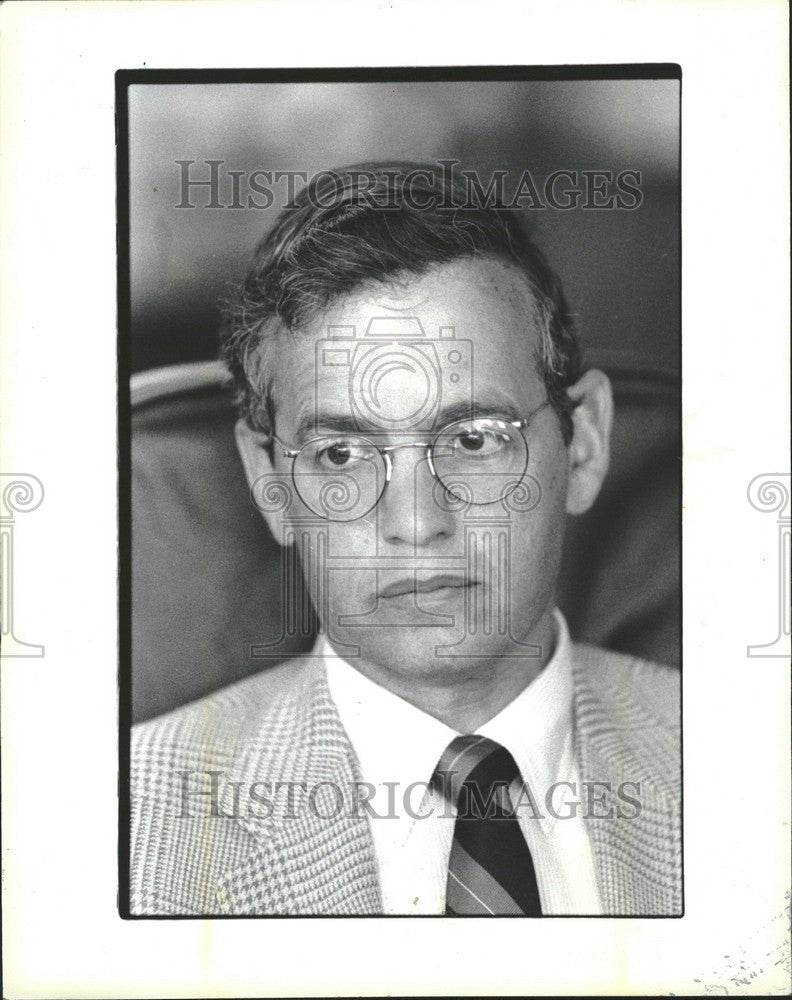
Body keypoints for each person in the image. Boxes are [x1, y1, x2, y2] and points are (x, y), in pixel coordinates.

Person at [130, 162, 681, 916]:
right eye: (342, 456)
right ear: (268, 481)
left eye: (475, 439)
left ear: (582, 444)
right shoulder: (125, 829)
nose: (417, 523)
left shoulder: (753, 760)